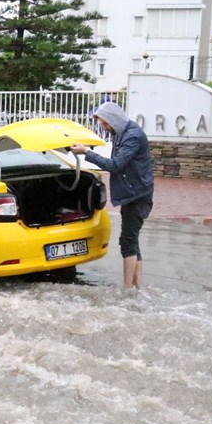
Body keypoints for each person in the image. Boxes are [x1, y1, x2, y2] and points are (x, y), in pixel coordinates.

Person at [71, 102, 154, 289]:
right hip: (133, 194)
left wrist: (86, 152)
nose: (105, 128)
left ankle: (126, 289)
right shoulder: (122, 133)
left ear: (114, 120)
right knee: (132, 239)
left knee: (127, 241)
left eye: (105, 124)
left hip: (138, 196)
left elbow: (115, 165)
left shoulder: (133, 136)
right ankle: (137, 286)